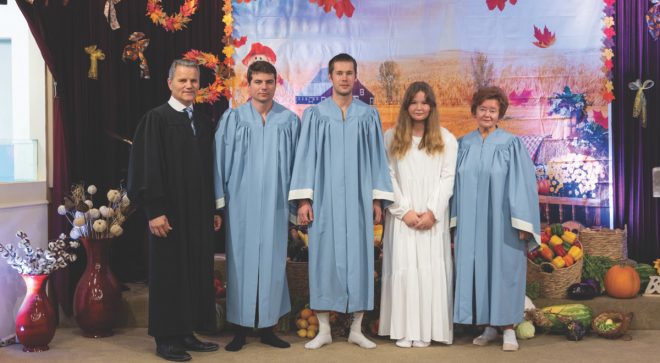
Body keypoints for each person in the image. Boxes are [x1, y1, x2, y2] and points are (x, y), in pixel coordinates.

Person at [289, 53, 394, 350]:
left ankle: (356, 328)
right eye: (339, 73)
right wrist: (304, 201)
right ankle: (323, 328)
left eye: (350, 73)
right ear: (331, 77)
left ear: (356, 76)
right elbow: (305, 157)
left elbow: (377, 158)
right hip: (325, 199)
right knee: (323, 259)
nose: (345, 78)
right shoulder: (315, 114)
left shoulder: (368, 115)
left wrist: (377, 200)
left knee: (361, 260)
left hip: (360, 200)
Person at [128, 59, 221, 362]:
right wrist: (154, 210)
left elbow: (209, 171)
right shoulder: (156, 119)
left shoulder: (202, 121)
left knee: (193, 271)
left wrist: (213, 210)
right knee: (169, 273)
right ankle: (166, 338)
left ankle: (186, 332)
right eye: (182, 80)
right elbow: (146, 167)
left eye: (193, 81)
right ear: (169, 83)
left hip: (197, 213)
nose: (189, 86)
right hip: (168, 213)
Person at [214, 60, 300, 352]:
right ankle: (238, 328)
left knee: (274, 263)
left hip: (276, 203)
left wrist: (296, 202)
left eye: (269, 82)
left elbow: (297, 167)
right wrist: (219, 202)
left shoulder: (289, 121)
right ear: (248, 85)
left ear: (277, 84)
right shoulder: (233, 119)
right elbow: (218, 161)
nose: (264, 87)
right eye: (258, 82)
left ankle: (267, 328)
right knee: (240, 263)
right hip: (241, 203)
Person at [450, 86, 541, 351]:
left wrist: (522, 222)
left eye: (492, 110)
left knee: (503, 270)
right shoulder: (463, 144)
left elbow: (523, 184)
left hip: (502, 222)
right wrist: (453, 219)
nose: (487, 114)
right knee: (478, 270)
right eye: (483, 109)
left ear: (500, 112)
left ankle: (509, 328)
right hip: (471, 222)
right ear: (475, 111)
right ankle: (489, 326)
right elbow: (453, 183)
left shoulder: (511, 144)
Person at [378, 81, 457, 348]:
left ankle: (426, 330)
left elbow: (447, 179)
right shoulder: (391, 138)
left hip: (432, 219)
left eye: (425, 102)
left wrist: (433, 212)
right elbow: (387, 177)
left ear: (432, 107)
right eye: (414, 102)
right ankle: (404, 329)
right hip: (403, 218)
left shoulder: (446, 139)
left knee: (429, 270)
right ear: (406, 106)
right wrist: (403, 211)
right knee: (403, 270)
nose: (419, 107)